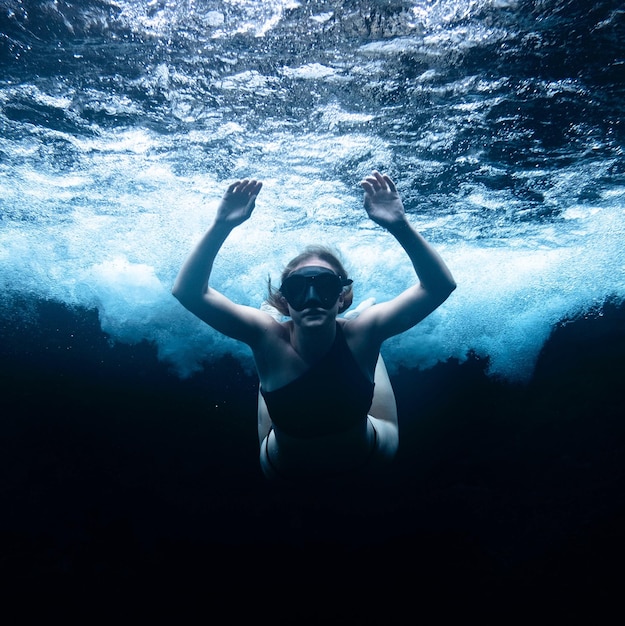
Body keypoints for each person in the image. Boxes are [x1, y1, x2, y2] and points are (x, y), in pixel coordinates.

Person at [172, 171, 456, 483]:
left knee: (359, 337)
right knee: (269, 342)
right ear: (286, 299)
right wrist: (221, 225)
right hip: (282, 469)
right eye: (297, 289)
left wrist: (399, 224)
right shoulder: (267, 336)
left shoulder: (361, 334)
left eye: (325, 287)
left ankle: (354, 314)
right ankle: (290, 315)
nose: (311, 298)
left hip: (369, 459)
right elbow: (188, 292)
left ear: (340, 297)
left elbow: (439, 286)